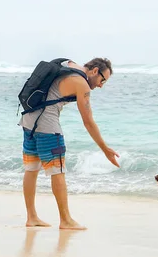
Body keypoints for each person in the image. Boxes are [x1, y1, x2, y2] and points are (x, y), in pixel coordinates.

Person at [19, 57, 120, 230]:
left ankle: (32, 217)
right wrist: (105, 149)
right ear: (95, 71)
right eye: (102, 80)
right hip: (47, 126)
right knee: (58, 170)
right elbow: (88, 121)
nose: (101, 85)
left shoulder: (67, 63)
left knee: (31, 169)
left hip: (28, 121)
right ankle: (66, 220)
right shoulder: (82, 84)